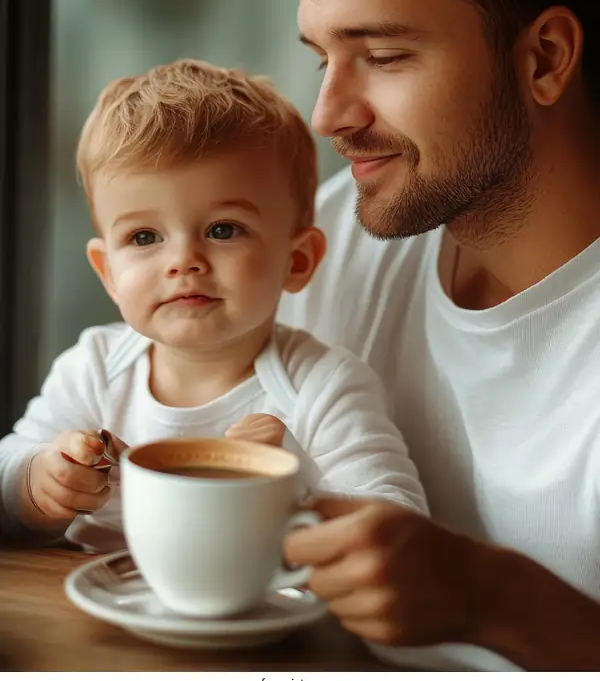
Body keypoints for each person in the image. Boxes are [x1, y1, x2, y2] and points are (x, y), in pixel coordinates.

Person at [278, 0, 600, 672]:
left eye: (382, 56)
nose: (327, 114)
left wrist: (494, 599)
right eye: (322, 56)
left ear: (544, 58)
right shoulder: (330, 239)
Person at [0, 59, 426, 551]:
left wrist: (291, 482)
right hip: (93, 618)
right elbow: (9, 477)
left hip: (263, 624)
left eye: (223, 230)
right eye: (144, 236)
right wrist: (38, 483)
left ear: (298, 259)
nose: (183, 261)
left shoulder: (325, 387)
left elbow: (402, 528)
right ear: (108, 273)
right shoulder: (94, 370)